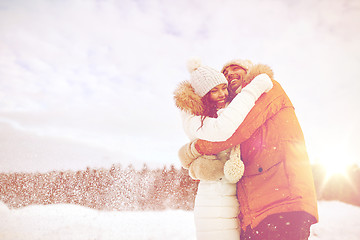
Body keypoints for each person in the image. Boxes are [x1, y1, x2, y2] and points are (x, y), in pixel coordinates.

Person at [182, 59, 319, 240]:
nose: (230, 73)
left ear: (249, 70)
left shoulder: (267, 88)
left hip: (283, 202)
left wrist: (192, 151)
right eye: (225, 72)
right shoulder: (236, 107)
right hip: (255, 213)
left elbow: (234, 132)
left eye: (235, 68)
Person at [174, 58, 273, 240]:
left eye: (223, 88)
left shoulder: (226, 109)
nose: (221, 94)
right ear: (204, 95)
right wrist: (252, 90)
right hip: (212, 195)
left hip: (234, 195)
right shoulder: (197, 119)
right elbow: (223, 130)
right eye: (214, 90)